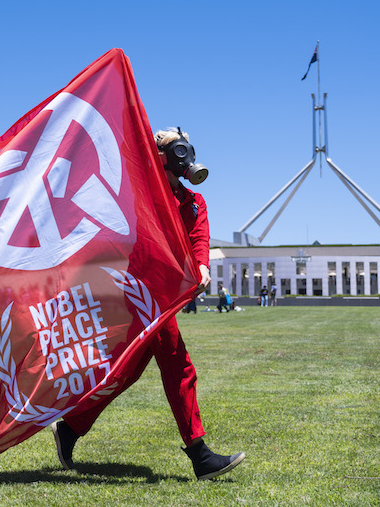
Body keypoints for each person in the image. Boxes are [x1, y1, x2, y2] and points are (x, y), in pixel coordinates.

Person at [51, 128, 245, 481]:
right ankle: (200, 455)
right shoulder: (140, 195)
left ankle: (70, 429)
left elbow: (199, 238)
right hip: (137, 293)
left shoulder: (194, 203)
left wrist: (201, 266)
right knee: (178, 364)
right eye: (176, 150)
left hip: (164, 298)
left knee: (126, 371)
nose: (184, 157)